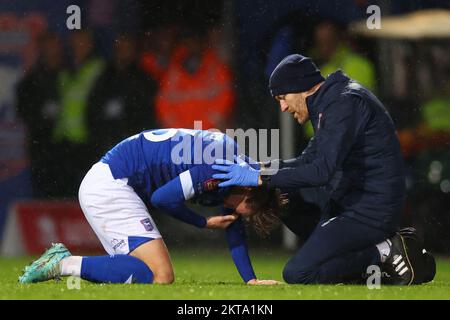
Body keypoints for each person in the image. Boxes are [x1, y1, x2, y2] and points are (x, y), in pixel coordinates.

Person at [212, 54, 433, 285]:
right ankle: (363, 259)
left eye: (283, 97)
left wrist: (261, 176)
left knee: (298, 274)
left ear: (301, 88)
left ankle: (384, 250)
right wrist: (260, 167)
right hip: (352, 201)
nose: (283, 106)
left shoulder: (342, 103)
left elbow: (320, 172)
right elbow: (306, 161)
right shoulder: (331, 102)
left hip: (371, 210)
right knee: (285, 193)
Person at [19, 129, 283, 285]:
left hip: (111, 182)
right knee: (161, 274)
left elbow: (233, 226)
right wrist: (203, 223)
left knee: (143, 272)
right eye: (248, 213)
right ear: (248, 191)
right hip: (111, 184)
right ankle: (63, 264)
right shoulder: (217, 166)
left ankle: (64, 263)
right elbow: (162, 199)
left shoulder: (235, 170)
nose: (239, 217)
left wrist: (251, 280)